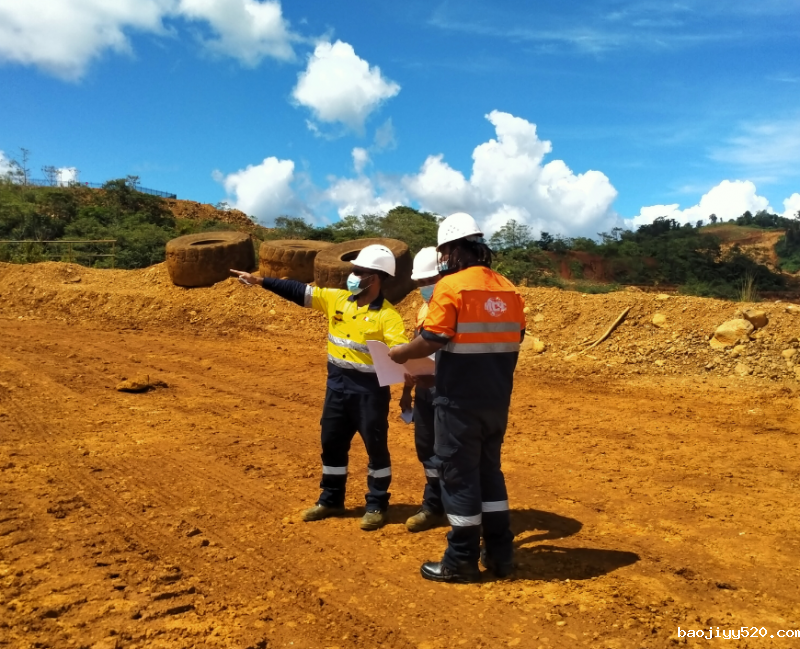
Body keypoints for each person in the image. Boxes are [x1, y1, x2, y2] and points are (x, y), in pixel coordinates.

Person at [388, 213, 526, 583]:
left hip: (459, 402)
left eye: (444, 253)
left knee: (458, 476)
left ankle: (460, 559)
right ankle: (500, 554)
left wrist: (400, 354)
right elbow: (517, 336)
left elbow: (432, 339)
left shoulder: (451, 287)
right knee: (489, 474)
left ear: (452, 249)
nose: (444, 259)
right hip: (496, 401)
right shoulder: (509, 288)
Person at [231, 244, 408, 531]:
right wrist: (259, 280)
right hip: (337, 388)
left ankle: (376, 505)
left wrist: (401, 354)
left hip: (369, 394)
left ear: (374, 278)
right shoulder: (337, 299)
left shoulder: (388, 316)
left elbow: (400, 348)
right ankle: (331, 500)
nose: (352, 276)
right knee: (331, 444)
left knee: (376, 450)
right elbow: (299, 291)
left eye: (358, 272)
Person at [399, 247, 445, 533]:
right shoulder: (424, 310)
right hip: (425, 393)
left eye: (430, 280)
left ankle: (460, 508)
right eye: (420, 282)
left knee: (452, 452)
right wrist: (407, 390)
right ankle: (433, 505)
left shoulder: (458, 309)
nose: (424, 287)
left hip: (450, 394)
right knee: (426, 449)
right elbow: (417, 355)